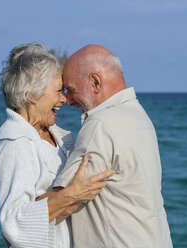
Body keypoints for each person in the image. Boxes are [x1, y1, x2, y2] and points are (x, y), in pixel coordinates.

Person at [0, 42, 115, 248]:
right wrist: (71, 194)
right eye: (59, 91)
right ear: (32, 94)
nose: (65, 99)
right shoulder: (15, 144)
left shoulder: (54, 133)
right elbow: (13, 224)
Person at [53, 45, 173, 247]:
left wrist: (17, 222)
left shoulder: (101, 124)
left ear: (95, 82)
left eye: (71, 90)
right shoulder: (138, 115)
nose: (67, 100)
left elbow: (65, 203)